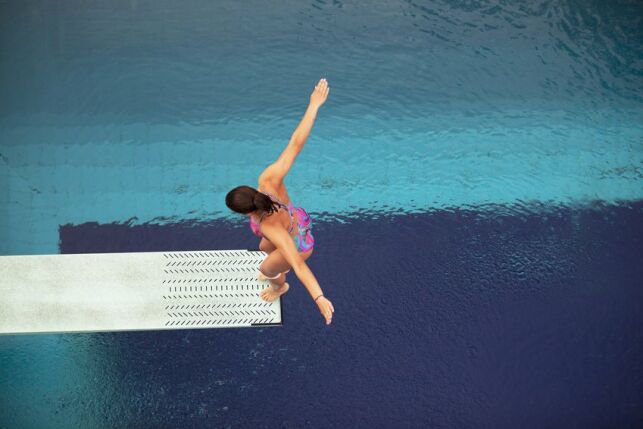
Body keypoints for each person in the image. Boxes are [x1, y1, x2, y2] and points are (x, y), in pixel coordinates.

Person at [225, 78, 334, 325]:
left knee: (267, 269)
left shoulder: (269, 226)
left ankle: (280, 287)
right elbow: (296, 143)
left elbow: (297, 264)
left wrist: (319, 298)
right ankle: (276, 268)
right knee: (265, 248)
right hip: (295, 220)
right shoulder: (269, 179)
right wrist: (314, 105)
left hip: (298, 243)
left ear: (245, 214)